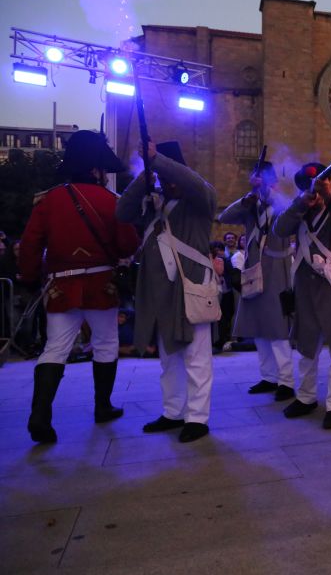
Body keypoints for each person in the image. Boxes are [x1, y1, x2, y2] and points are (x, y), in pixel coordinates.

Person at [19, 130, 140, 443]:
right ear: (96, 168)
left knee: (55, 348)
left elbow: (30, 245)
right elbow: (128, 245)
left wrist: (31, 280)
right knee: (105, 343)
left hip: (61, 285)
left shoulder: (48, 200)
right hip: (101, 283)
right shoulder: (112, 201)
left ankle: (40, 416)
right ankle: (102, 406)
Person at [116, 140, 217, 443]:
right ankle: (174, 412)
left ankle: (197, 418)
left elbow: (196, 184)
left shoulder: (199, 200)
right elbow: (122, 212)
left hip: (191, 287)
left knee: (197, 358)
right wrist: (143, 177)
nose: (165, 181)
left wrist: (156, 159)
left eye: (167, 173)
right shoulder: (154, 204)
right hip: (160, 290)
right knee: (168, 358)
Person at [273, 163, 331, 429]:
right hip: (307, 289)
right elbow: (280, 228)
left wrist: (329, 195)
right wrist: (302, 201)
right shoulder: (299, 210)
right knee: (307, 348)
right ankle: (306, 397)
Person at [218, 161, 295, 401]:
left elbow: (290, 212)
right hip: (254, 270)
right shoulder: (251, 205)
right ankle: (268, 376)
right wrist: (248, 197)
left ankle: (286, 381)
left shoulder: (281, 201)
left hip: (276, 270)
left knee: (278, 329)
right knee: (259, 329)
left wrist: (268, 193)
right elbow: (224, 216)